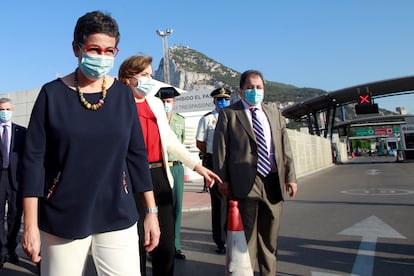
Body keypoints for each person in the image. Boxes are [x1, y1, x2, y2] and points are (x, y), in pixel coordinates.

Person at [20, 11, 160, 276]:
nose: (102, 57)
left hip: (118, 215)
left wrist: (151, 211)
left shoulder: (122, 96)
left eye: (110, 51)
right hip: (63, 218)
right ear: (76, 48)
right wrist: (30, 225)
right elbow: (33, 161)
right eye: (95, 49)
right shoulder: (51, 95)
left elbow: (136, 156)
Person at [118, 55, 222, 276]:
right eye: (144, 75)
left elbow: (171, 142)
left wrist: (197, 166)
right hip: (131, 180)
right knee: (136, 242)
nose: (150, 80)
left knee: (164, 244)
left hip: (159, 177)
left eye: (151, 75)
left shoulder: (155, 104)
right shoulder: (117, 105)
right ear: (129, 77)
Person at [213, 70, 298, 276]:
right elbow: (220, 150)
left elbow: (284, 148)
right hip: (245, 184)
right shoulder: (229, 114)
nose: (254, 91)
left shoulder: (274, 113)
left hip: (272, 182)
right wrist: (222, 180)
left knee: (270, 239)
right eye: (250, 87)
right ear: (241, 90)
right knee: (247, 239)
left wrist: (291, 178)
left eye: (258, 87)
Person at [195, 87, 231, 254]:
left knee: (235, 201)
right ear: (214, 101)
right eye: (219, 99)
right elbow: (200, 142)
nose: (223, 102)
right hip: (214, 162)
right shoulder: (208, 119)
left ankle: (236, 236)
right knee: (219, 203)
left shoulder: (235, 117)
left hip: (232, 163)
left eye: (225, 99)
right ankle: (220, 240)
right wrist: (211, 154)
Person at [156, 87, 186, 260]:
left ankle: (175, 245)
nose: (166, 104)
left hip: (176, 167)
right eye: (163, 101)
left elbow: (180, 145)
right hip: (159, 167)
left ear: (174, 103)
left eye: (169, 101)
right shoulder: (154, 120)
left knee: (177, 207)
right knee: (159, 209)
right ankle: (158, 246)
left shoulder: (180, 121)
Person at [0, 98, 26, 268]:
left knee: (15, 215)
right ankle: (1, 251)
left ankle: (10, 249)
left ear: (13, 110)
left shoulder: (22, 131)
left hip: (16, 178)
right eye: (2, 109)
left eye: (8, 109)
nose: (5, 112)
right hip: (0, 177)